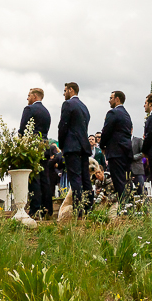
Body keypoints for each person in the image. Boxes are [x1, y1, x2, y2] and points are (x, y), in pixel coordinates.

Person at [58, 82, 91, 215]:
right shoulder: (84, 107)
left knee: (75, 178)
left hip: (72, 146)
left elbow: (63, 125)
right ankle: (88, 206)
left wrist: (61, 144)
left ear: (71, 90)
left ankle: (79, 209)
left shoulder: (68, 104)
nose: (64, 93)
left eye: (65, 90)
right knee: (85, 178)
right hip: (83, 146)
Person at [19, 87, 53, 218]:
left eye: (28, 96)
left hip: (33, 146)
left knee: (34, 178)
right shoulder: (46, 112)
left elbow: (23, 129)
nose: (27, 98)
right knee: (45, 178)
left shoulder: (29, 109)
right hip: (45, 146)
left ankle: (35, 209)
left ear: (34, 96)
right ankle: (47, 209)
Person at [99, 90, 133, 201]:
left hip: (116, 151)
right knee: (126, 180)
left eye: (111, 98)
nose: (109, 101)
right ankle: (129, 205)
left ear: (117, 99)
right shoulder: (127, 115)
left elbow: (106, 131)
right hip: (126, 151)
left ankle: (123, 208)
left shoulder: (113, 113)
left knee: (118, 181)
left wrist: (102, 146)